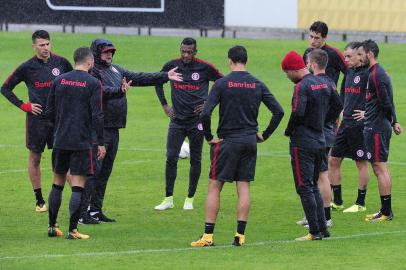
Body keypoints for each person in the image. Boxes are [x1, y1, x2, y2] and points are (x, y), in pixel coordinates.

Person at [79, 38, 183, 224]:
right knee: (94, 172)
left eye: (111, 51)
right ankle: (82, 212)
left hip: (114, 128)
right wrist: (120, 91)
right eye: (105, 52)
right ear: (96, 53)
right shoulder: (92, 72)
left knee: (105, 172)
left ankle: (95, 210)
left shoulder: (116, 70)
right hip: (98, 130)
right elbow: (101, 91)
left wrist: (165, 76)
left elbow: (140, 77)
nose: (109, 54)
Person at [191, 45, 284, 247]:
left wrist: (208, 136)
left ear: (230, 60)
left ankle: (208, 236)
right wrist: (264, 135)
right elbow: (279, 111)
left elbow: (205, 113)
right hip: (250, 141)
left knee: (215, 186)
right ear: (246, 61)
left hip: (227, 141)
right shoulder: (257, 83)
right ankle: (240, 236)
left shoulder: (222, 83)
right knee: (243, 187)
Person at [1, 30, 72, 212]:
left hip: (59, 119)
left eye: (48, 44)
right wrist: (25, 106)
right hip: (36, 121)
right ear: (34, 46)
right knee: (35, 157)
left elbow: (76, 82)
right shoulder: (27, 67)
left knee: (64, 157)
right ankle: (39, 201)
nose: (46, 48)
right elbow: (5, 88)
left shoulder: (62, 63)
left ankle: (79, 198)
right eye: (41, 45)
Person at [154, 37, 223, 211]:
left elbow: (223, 83)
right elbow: (158, 81)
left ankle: (189, 199)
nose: (186, 55)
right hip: (177, 121)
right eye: (183, 51)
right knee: (171, 158)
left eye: (189, 52)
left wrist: (208, 103)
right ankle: (168, 198)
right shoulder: (172, 65)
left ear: (195, 52)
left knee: (196, 159)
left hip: (197, 122)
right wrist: (164, 105)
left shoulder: (204, 67)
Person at [45, 47, 106, 239]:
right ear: (89, 62)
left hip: (61, 139)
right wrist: (101, 142)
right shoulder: (93, 83)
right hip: (81, 141)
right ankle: (73, 230)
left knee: (57, 184)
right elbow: (97, 115)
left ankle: (52, 227)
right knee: (78, 185)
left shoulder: (59, 80)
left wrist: (57, 131)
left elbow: (49, 111)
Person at [282, 50, 342, 241]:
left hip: (303, 142)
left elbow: (298, 112)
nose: (287, 77)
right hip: (320, 139)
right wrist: (325, 121)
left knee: (304, 186)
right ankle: (323, 229)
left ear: (293, 70)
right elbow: (338, 105)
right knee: (314, 185)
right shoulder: (326, 82)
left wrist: (289, 130)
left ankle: (314, 232)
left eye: (287, 73)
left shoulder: (302, 86)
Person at [296, 21, 347, 227]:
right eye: (311, 36)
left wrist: (341, 102)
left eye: (317, 37)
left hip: (326, 118)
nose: (313, 40)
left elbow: (349, 73)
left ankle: (325, 218)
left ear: (324, 38)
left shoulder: (332, 55)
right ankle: (312, 214)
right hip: (312, 115)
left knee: (320, 170)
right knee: (311, 171)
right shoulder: (307, 53)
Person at [362, 40, 402, 222]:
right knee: (379, 167)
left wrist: (392, 121)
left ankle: (386, 212)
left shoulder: (377, 75)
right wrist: (395, 121)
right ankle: (385, 211)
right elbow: (388, 100)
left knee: (380, 167)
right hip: (376, 125)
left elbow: (386, 102)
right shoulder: (376, 73)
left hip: (377, 128)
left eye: (361, 54)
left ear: (369, 54)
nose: (360, 57)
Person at [329, 42, 370, 213]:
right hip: (345, 123)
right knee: (333, 159)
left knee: (361, 163)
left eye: (349, 56)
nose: (345, 60)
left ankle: (360, 203)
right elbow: (343, 93)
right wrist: (342, 110)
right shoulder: (349, 73)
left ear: (359, 55)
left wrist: (367, 113)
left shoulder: (369, 74)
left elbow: (379, 98)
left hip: (359, 126)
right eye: (344, 56)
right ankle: (337, 201)